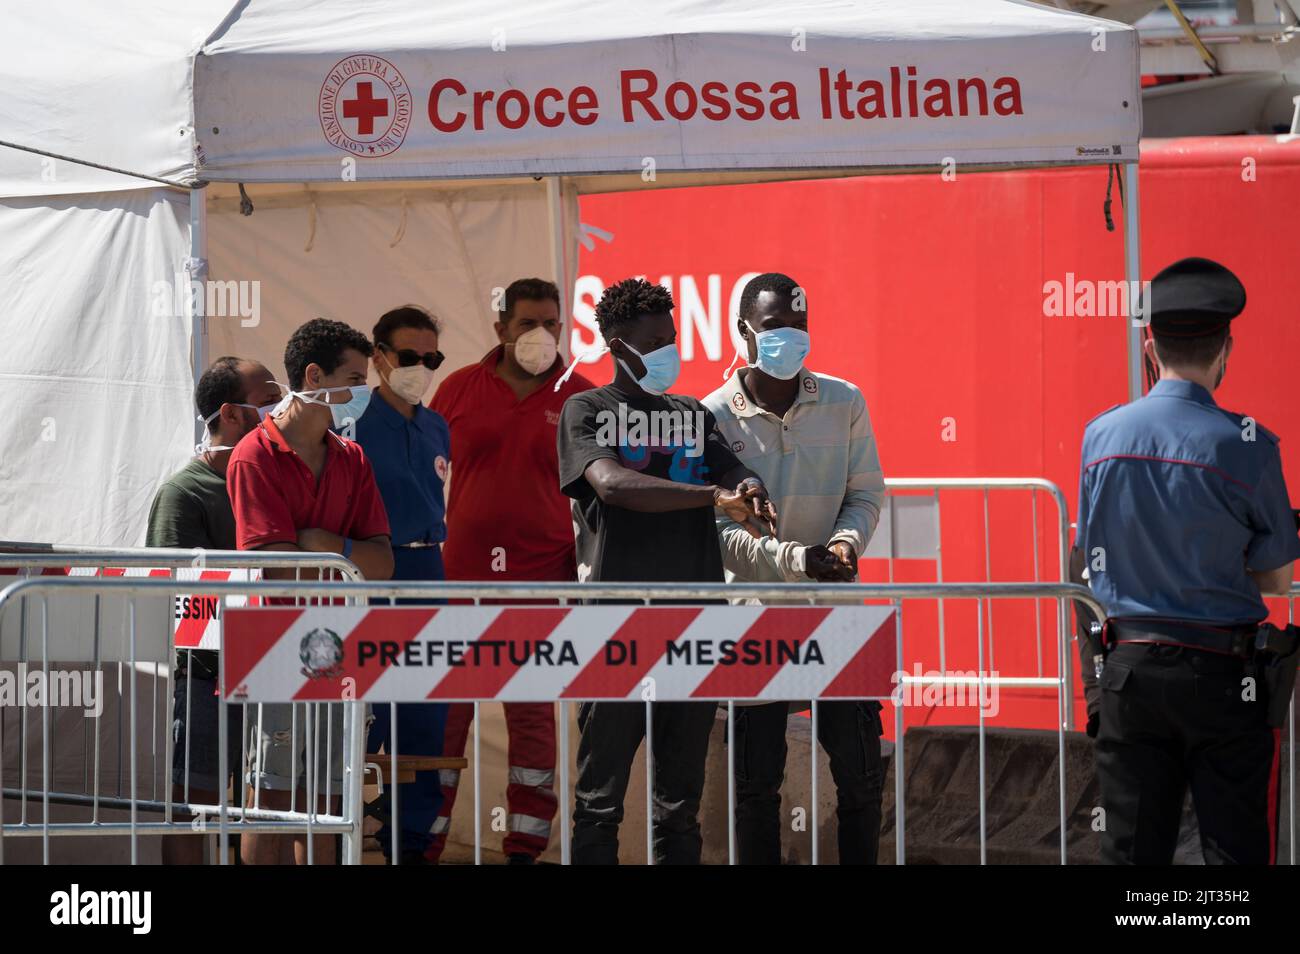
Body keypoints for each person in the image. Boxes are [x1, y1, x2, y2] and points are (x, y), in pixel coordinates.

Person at [1076, 257, 1299, 865]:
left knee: (1131, 855)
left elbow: (1088, 563)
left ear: (1150, 345)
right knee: (1233, 856)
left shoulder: (1101, 437)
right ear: (1226, 347)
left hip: (1128, 674)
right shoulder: (1249, 444)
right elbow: (1278, 578)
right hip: (1224, 678)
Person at [557, 277, 776, 865]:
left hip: (693, 629)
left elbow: (733, 474)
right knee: (599, 803)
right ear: (616, 343)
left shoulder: (690, 413)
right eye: (654, 341)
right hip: (615, 628)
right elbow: (612, 484)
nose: (668, 351)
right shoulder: (587, 409)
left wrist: (749, 491)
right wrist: (711, 497)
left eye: (671, 338)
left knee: (679, 806)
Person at [702, 272, 887, 865]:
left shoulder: (844, 400)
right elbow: (717, 529)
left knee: (861, 774)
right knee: (756, 788)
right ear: (743, 334)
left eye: (799, 328)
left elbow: (864, 495)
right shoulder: (709, 417)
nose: (790, 339)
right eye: (775, 328)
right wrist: (791, 560)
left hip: (836, 613)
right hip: (752, 619)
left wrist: (845, 546)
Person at [428, 278, 594, 863]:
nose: (542, 334)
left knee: (531, 722)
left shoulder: (583, 397)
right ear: (500, 329)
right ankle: (426, 840)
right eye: (528, 323)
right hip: (457, 583)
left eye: (552, 322)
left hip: (541, 583)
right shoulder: (456, 389)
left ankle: (523, 848)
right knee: (443, 720)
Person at [227, 317, 394, 865]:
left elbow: (383, 563)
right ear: (315, 375)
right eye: (354, 377)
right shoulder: (252, 454)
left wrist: (326, 547)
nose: (364, 392)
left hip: (343, 646)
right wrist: (347, 559)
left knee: (330, 803)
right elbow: (276, 569)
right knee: (270, 800)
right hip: (275, 646)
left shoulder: (354, 458)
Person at [146, 356, 279, 865]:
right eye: (268, 401)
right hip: (202, 678)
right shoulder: (185, 493)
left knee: (268, 806)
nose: (280, 410)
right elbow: (177, 598)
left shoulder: (271, 480)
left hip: (272, 672)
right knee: (192, 806)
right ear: (231, 414)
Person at [354, 305, 452, 865]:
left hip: (428, 571)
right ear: (379, 359)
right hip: (370, 573)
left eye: (431, 358)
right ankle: (337, 829)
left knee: (423, 716)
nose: (421, 367)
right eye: (409, 356)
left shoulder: (437, 424)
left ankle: (409, 842)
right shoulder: (354, 421)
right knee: (359, 714)